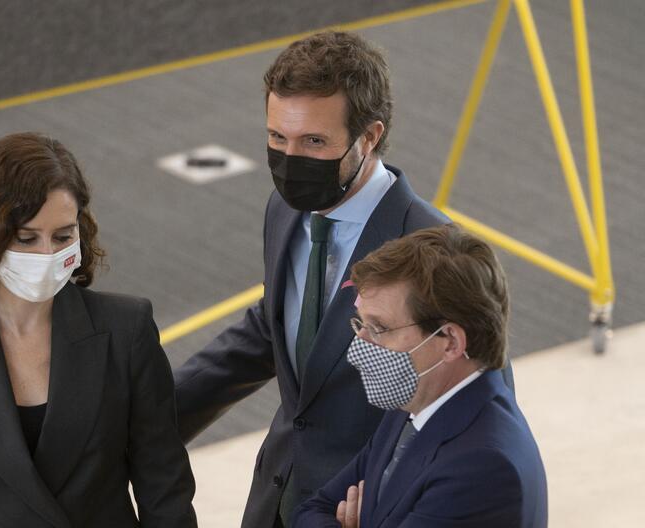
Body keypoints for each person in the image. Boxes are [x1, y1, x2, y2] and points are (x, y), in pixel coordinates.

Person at [172, 31, 507, 528]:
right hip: (277, 500)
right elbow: (275, 327)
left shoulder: (437, 248)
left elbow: (482, 401)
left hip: (366, 511)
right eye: (276, 138)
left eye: (313, 142)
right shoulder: (285, 210)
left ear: (369, 137)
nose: (289, 161)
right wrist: (151, 418)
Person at [0, 132, 197, 527]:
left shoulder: (126, 329)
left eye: (63, 236)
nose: (48, 254)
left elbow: (165, 490)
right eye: (26, 238)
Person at [295, 224, 547, 527]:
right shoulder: (412, 405)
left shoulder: (481, 467)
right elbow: (311, 510)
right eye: (361, 325)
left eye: (379, 328)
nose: (358, 347)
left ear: (450, 342)